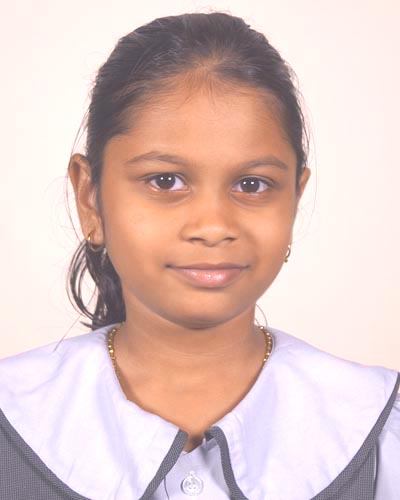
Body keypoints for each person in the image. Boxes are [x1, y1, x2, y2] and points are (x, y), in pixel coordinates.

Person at [0, 11, 398, 500]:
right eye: (165, 181)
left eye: (252, 185)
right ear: (90, 199)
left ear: (295, 198)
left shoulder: (378, 429)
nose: (213, 226)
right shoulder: (14, 415)